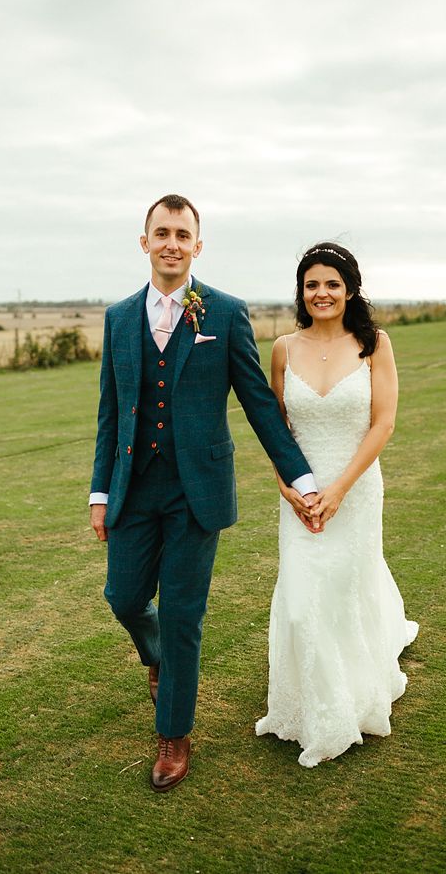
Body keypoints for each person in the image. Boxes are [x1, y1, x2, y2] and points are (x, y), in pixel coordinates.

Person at [90, 194, 320, 791]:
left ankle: (173, 734)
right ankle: (155, 655)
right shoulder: (118, 318)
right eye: (160, 232)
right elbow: (110, 415)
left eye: (182, 234)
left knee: (185, 615)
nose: (171, 243)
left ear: (197, 244)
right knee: (123, 596)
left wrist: (299, 476)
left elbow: (258, 403)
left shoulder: (225, 312)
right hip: (134, 490)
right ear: (145, 242)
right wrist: (98, 492)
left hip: (199, 491)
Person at [255, 242, 418, 767]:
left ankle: (350, 702)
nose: (321, 293)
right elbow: (274, 424)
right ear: (301, 292)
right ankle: (304, 707)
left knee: (345, 595)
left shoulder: (375, 344)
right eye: (311, 284)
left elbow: (384, 423)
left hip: (356, 488)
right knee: (302, 603)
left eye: (331, 283)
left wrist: (342, 488)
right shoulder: (282, 348)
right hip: (301, 494)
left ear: (349, 289)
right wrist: (287, 484)